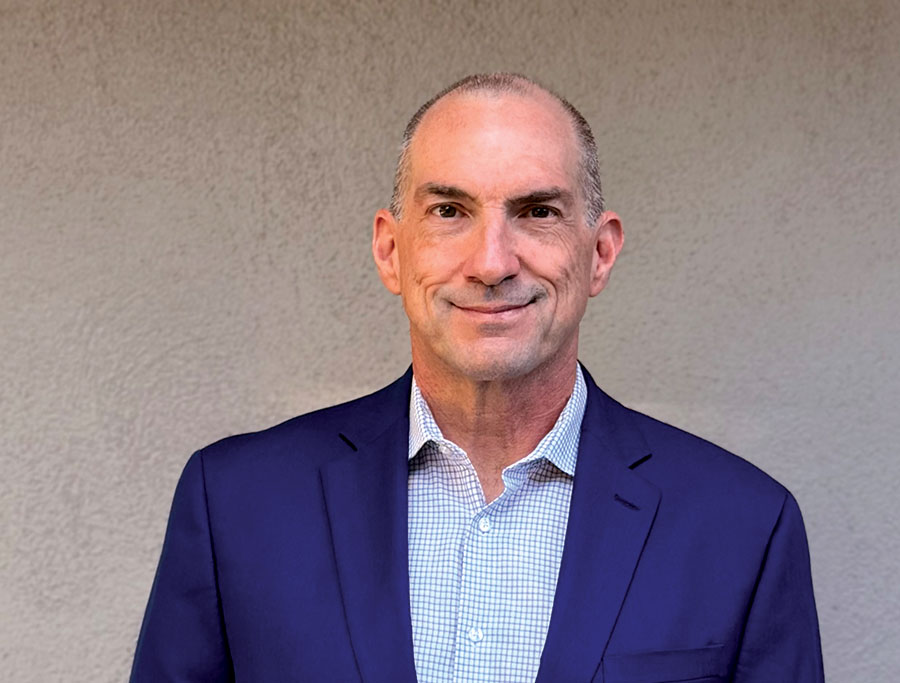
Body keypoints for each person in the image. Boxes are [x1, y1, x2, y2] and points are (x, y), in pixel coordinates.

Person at [131, 73, 825, 682]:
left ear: (600, 253)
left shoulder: (742, 527)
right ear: (391, 250)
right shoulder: (235, 505)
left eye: (537, 211)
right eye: (449, 211)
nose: (492, 262)